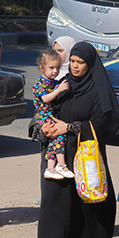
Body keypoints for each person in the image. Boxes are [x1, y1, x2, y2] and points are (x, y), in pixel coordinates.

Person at [22, 42, 119, 238]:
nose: (75, 67)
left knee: (84, 206)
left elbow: (104, 123)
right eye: (73, 62)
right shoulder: (62, 85)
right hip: (54, 155)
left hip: (83, 157)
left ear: (90, 64)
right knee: (51, 204)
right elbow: (42, 109)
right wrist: (43, 127)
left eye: (80, 63)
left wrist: (69, 127)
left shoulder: (97, 91)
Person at [32, 49, 72, 180]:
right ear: (42, 68)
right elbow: (45, 99)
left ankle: (50, 168)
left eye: (58, 68)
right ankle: (61, 164)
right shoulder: (40, 83)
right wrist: (59, 90)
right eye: (51, 68)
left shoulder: (54, 82)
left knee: (54, 141)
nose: (55, 71)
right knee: (59, 135)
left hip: (51, 115)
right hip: (44, 116)